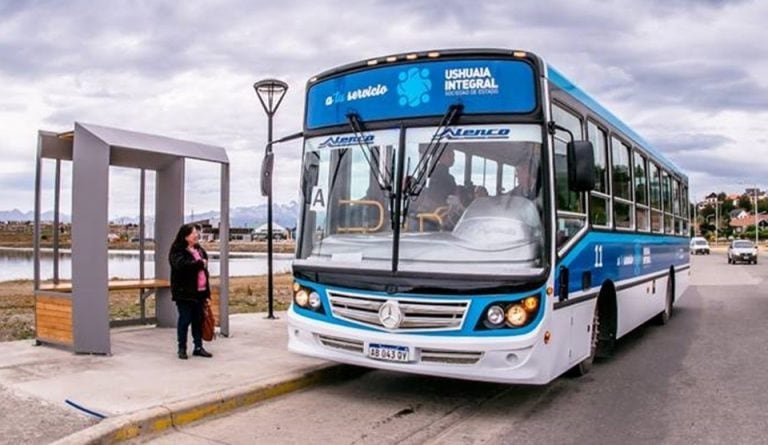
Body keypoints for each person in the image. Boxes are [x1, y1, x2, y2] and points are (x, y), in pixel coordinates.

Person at [169, 223, 213, 360]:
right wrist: (199, 264)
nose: (196, 235)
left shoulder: (199, 250)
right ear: (185, 236)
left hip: (200, 292)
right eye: (193, 233)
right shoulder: (177, 251)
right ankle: (182, 348)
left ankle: (198, 347)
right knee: (185, 320)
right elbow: (181, 266)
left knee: (198, 320)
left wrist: (207, 293)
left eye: (196, 233)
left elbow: (205, 273)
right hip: (184, 294)